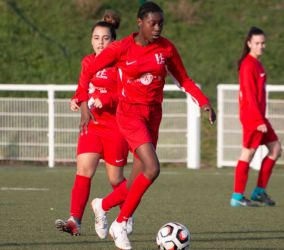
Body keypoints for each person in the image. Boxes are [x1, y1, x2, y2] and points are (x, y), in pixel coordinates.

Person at [78, 2, 216, 249]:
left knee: (135, 181)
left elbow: (182, 78)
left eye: (161, 23)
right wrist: (84, 103)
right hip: (130, 114)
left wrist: (203, 102)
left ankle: (103, 205)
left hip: (153, 115)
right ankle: (120, 223)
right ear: (139, 23)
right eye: (152, 23)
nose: (157, 27)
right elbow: (89, 70)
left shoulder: (166, 48)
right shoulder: (121, 48)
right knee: (152, 168)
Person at [55, 10, 133, 238]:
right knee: (83, 171)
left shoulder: (121, 65)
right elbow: (83, 89)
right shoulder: (88, 62)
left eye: (105, 38)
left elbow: (126, 95)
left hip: (116, 128)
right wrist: (76, 99)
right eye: (96, 38)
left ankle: (125, 214)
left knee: (115, 179)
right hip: (92, 127)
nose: (100, 43)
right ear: (91, 40)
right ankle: (74, 220)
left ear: (113, 41)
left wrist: (104, 99)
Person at [230, 27, 282, 207]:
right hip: (253, 117)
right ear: (249, 44)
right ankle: (237, 196)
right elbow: (249, 96)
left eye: (263, 43)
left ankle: (259, 191)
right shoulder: (248, 65)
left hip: (259, 116)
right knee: (248, 153)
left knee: (275, 149)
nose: (261, 46)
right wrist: (258, 121)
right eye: (257, 43)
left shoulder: (257, 64)